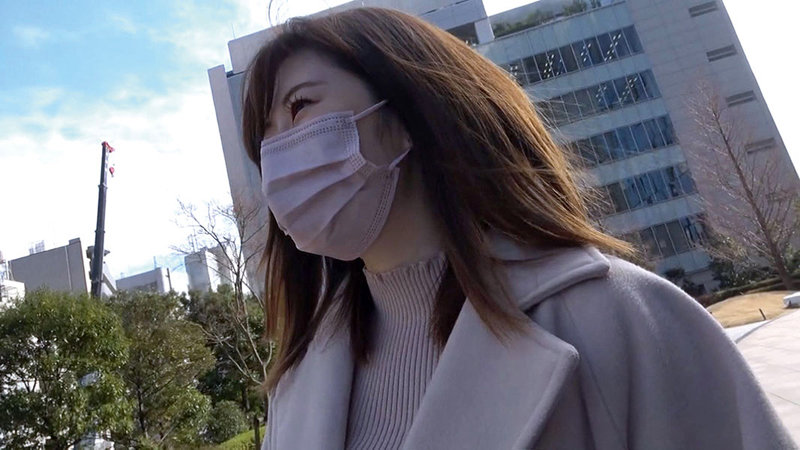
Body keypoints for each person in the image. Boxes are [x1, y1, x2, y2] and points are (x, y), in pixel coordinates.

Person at [240, 7, 795, 450]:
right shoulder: (298, 378)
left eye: (300, 106)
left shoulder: (624, 317)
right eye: (265, 137)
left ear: (407, 111)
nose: (279, 152)